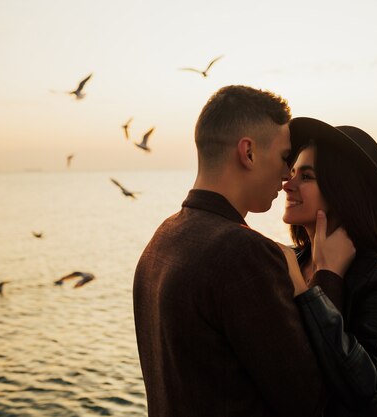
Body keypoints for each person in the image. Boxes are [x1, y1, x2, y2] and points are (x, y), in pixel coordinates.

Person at [133, 86, 355, 417]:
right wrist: (328, 279)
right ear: (248, 152)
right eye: (284, 157)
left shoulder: (162, 239)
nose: (285, 176)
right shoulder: (244, 254)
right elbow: (312, 400)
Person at [282, 117, 377, 417]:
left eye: (307, 176)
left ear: (341, 190)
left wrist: (327, 280)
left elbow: (368, 386)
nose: (288, 184)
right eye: (292, 172)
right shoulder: (285, 260)